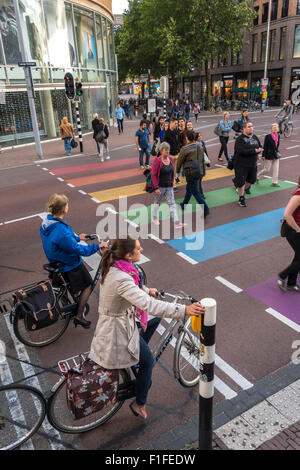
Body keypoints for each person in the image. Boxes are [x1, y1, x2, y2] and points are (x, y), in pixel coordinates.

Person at [89, 237, 205, 419]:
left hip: (123, 319)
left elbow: (133, 287)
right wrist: (184, 310)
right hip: (117, 329)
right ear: (129, 255)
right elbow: (149, 305)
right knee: (148, 362)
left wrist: (147, 289)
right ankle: (139, 403)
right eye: (138, 248)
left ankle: (137, 356)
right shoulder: (121, 278)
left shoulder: (119, 267)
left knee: (154, 319)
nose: (142, 249)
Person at [40, 194, 107, 329]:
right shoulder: (61, 230)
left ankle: (74, 302)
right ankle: (79, 316)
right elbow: (78, 249)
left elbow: (61, 240)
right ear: (64, 208)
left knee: (73, 287)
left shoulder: (47, 223)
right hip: (68, 264)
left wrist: (77, 237)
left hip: (56, 259)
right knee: (87, 285)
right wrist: (97, 246)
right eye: (67, 205)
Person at [176, 130, 210, 217]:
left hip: (190, 172)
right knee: (189, 188)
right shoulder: (200, 147)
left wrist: (177, 172)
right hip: (198, 171)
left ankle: (206, 209)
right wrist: (203, 172)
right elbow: (202, 160)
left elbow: (179, 161)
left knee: (195, 191)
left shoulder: (185, 149)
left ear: (187, 138)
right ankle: (184, 204)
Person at [151, 142, 185, 228]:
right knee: (157, 203)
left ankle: (177, 223)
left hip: (169, 187)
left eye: (168, 150)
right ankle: (154, 218)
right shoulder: (157, 161)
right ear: (161, 151)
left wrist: (172, 182)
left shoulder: (171, 159)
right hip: (159, 187)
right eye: (166, 150)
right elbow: (153, 175)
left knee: (172, 204)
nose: (167, 152)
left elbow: (172, 171)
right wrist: (156, 187)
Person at [277, 177, 300, 292]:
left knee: (298, 257)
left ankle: (291, 283)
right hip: (292, 230)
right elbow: (287, 214)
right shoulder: (299, 194)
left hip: (297, 229)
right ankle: (282, 276)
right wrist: (297, 229)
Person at [233, 122, 263, 207]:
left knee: (252, 180)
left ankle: (238, 185)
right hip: (241, 164)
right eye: (249, 126)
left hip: (252, 164)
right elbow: (240, 151)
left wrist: (258, 152)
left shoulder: (255, 137)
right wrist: (254, 151)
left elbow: (259, 146)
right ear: (244, 129)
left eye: (252, 126)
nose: (251, 128)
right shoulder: (240, 139)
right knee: (241, 183)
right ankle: (241, 198)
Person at [162, 118, 181, 189]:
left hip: (176, 153)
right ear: (171, 123)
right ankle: (172, 184)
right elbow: (164, 144)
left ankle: (173, 183)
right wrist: (167, 154)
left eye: (177, 123)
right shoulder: (166, 133)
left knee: (174, 170)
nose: (176, 125)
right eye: (175, 123)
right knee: (170, 170)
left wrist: (179, 151)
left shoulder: (177, 132)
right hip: (170, 155)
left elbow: (178, 142)